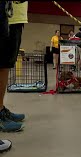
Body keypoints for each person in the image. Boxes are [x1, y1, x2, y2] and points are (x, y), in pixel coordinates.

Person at [0, 1, 26, 134]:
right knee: (2, 65)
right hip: (7, 15)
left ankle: (1, 109)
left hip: (15, 16)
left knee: (5, 66)